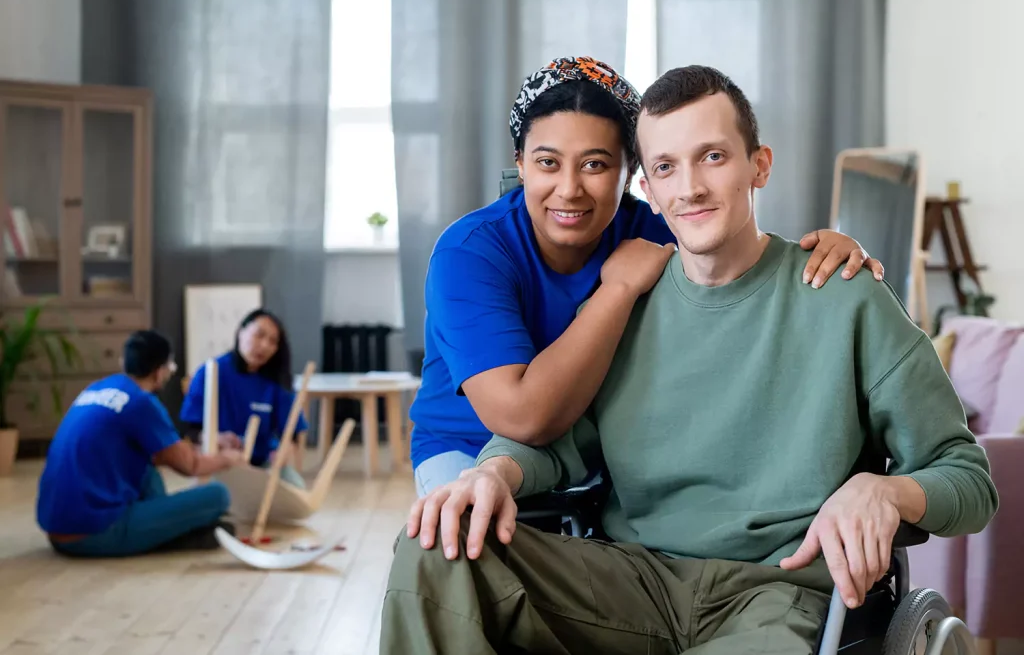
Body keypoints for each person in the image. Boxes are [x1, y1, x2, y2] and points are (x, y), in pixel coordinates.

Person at [381, 66, 1000, 654]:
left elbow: (968, 479)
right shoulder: (626, 300)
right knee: (435, 547)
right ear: (647, 188)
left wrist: (887, 490)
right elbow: (555, 438)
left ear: (759, 166)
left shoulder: (845, 295)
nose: (692, 187)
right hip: (634, 581)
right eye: (667, 167)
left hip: (778, 590)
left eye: (712, 156)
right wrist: (492, 473)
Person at [409, 56, 887, 497]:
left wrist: (830, 251)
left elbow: (739, 257)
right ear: (520, 164)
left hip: (607, 451)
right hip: (472, 452)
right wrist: (618, 289)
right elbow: (522, 419)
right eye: (547, 162)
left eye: (596, 164)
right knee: (463, 540)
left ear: (633, 175)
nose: (569, 189)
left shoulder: (655, 230)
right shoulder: (470, 253)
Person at [37, 330, 242, 558]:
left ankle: (165, 530)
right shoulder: (142, 403)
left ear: (123, 362)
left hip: (57, 529)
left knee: (147, 468)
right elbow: (190, 466)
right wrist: (228, 458)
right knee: (218, 495)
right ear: (160, 372)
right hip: (95, 532)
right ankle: (165, 534)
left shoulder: (97, 389)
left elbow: (164, 453)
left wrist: (209, 442)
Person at [180, 308, 308, 489]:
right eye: (259, 335)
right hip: (220, 463)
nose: (264, 345)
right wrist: (216, 437)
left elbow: (292, 432)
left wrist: (285, 449)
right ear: (241, 332)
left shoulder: (276, 381)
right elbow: (189, 430)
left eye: (272, 341)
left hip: (262, 464)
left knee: (297, 492)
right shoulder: (211, 372)